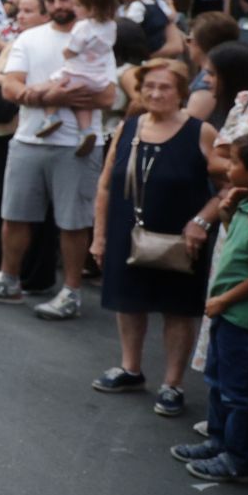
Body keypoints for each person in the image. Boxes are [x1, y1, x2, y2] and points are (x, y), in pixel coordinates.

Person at [0, 0, 114, 321]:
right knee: (14, 215)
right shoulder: (30, 38)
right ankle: (8, 279)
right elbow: (11, 89)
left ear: (78, 0)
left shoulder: (96, 39)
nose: (59, 6)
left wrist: (42, 94)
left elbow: (108, 95)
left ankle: (71, 292)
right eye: (52, 0)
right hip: (28, 140)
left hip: (77, 146)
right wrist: (52, 95)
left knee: (73, 223)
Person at [88, 60, 219, 417]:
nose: (156, 93)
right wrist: (99, 237)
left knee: (177, 308)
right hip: (127, 230)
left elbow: (228, 189)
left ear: (181, 94)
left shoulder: (200, 131)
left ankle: (172, 384)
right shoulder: (129, 126)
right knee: (129, 302)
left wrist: (201, 222)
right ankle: (131, 368)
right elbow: (104, 185)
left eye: (165, 87)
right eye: (150, 86)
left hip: (180, 236)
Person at [172, 132, 248, 480]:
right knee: (218, 379)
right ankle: (217, 440)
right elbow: (241, 250)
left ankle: (237, 459)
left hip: (245, 315)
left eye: (234, 161)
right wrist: (227, 215)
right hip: (227, 312)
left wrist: (225, 298)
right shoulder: (245, 206)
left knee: (239, 391)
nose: (227, 167)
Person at [23, 0, 118, 155]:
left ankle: (51, 117)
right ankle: (86, 131)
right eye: (50, 0)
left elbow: (73, 49)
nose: (73, 8)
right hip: (97, 78)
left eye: (77, 4)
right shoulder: (111, 26)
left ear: (92, 8)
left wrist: (67, 53)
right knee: (83, 105)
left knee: (47, 85)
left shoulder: (83, 26)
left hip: (76, 73)